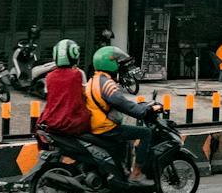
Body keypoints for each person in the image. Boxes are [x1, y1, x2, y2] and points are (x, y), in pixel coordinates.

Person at [82, 46, 159, 184]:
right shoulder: (107, 84)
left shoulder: (92, 80)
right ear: (109, 63)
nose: (118, 65)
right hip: (105, 128)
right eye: (116, 62)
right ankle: (137, 171)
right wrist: (143, 110)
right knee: (146, 133)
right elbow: (123, 104)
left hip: (94, 125)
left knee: (127, 135)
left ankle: (123, 167)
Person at [39, 39, 89, 136]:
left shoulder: (49, 76)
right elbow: (85, 95)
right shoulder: (78, 74)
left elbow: (48, 96)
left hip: (50, 121)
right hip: (73, 123)